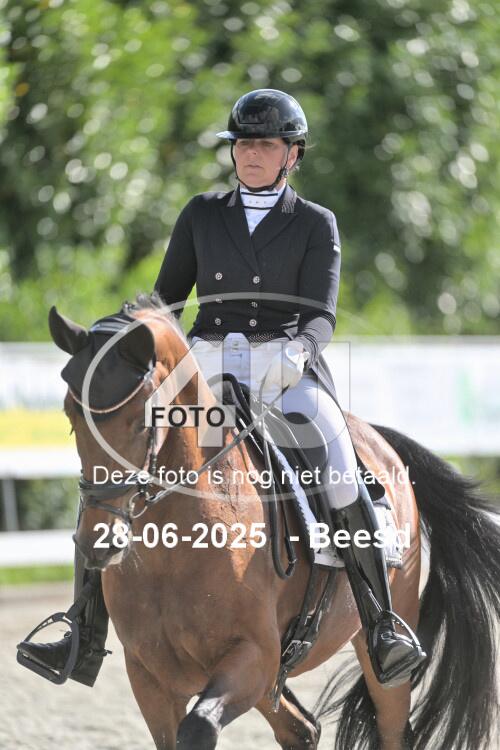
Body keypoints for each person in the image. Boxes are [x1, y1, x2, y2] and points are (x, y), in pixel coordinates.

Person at [17, 89, 425, 688]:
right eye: (243, 144)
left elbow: (321, 315)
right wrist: (120, 341)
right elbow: (164, 302)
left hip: (284, 369)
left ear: (292, 154)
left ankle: (382, 622)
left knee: (339, 465)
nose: (251, 154)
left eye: (266, 145)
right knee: (117, 464)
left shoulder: (316, 223)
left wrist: (300, 351)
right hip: (204, 368)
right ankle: (82, 631)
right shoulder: (201, 214)